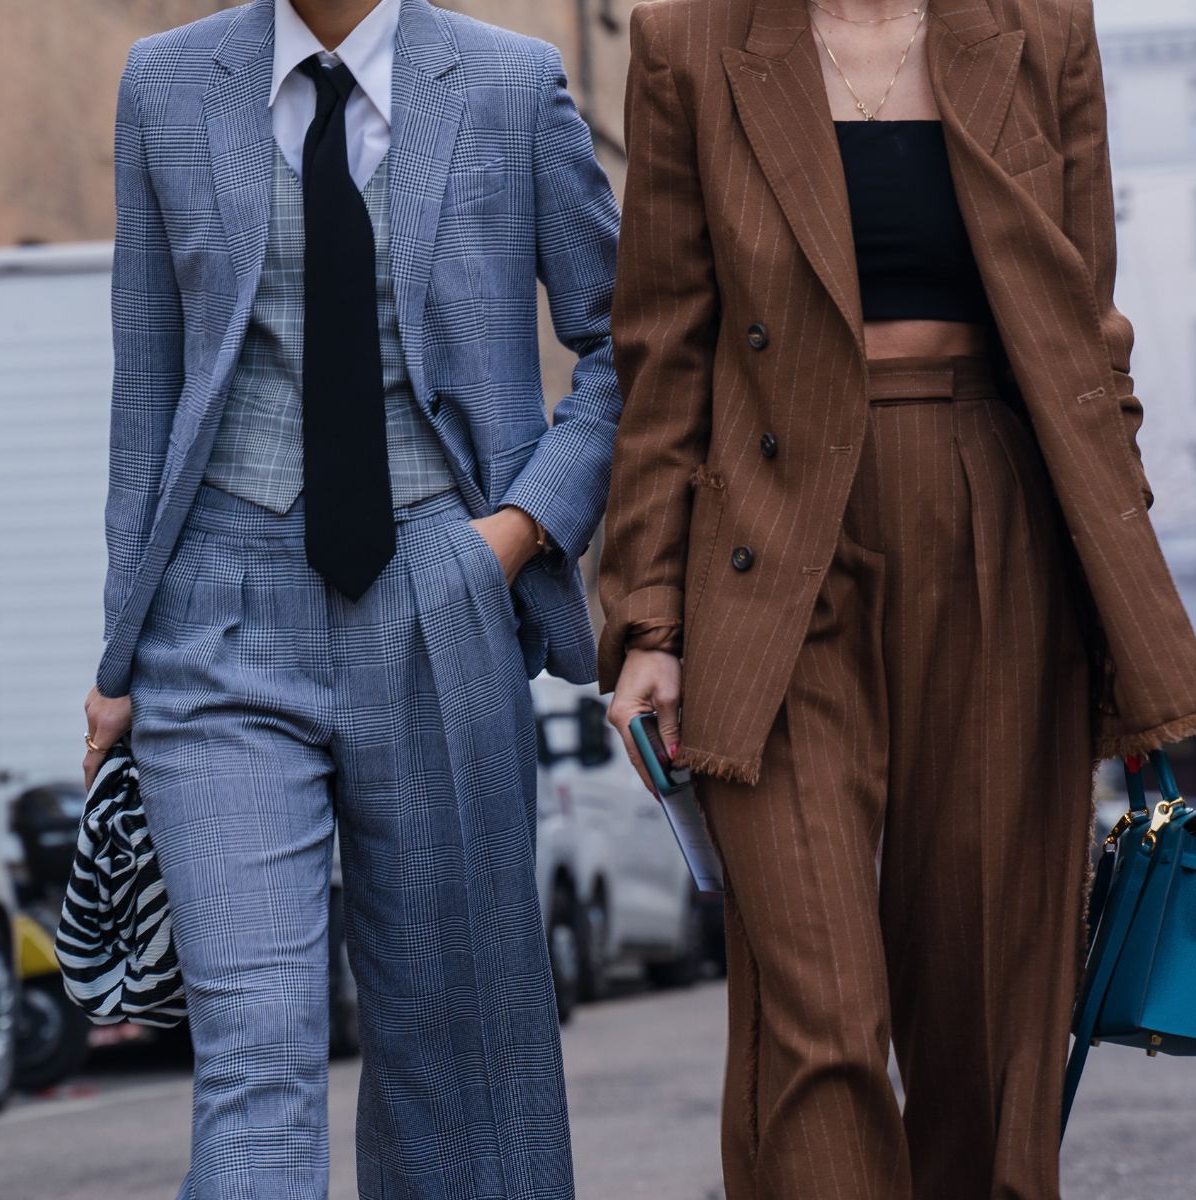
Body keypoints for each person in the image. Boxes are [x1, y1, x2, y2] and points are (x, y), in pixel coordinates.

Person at [599, 0, 1196, 1196]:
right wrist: (648, 622)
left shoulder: (1040, 27)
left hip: (1000, 523)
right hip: (769, 554)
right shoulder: (689, 40)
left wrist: (1125, 609)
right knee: (814, 1015)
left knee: (985, 1027)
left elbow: (1087, 338)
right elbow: (662, 349)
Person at [82, 0, 619, 1195]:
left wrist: (516, 535)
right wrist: (120, 656)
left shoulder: (511, 86)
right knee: (253, 1062)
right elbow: (147, 388)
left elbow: (633, 343)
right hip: (216, 609)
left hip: (441, 588)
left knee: (456, 1069)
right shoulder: (164, 85)